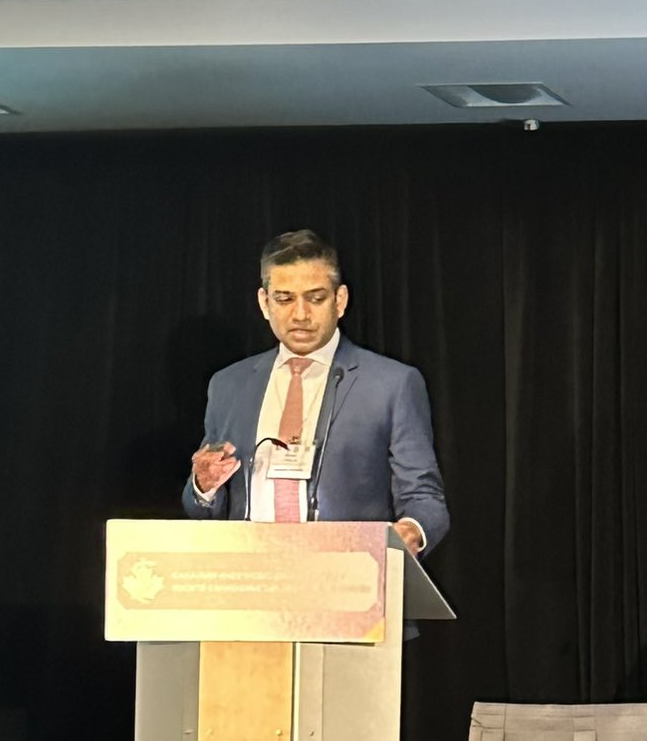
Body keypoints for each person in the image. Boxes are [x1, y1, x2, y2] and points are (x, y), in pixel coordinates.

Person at [183, 230, 449, 555]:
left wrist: (411, 530)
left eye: (315, 298)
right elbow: (201, 508)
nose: (300, 314)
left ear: (340, 300)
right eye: (284, 299)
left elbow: (425, 499)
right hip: (251, 576)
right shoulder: (228, 385)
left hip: (349, 576)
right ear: (264, 303)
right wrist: (204, 486)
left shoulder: (392, 384)